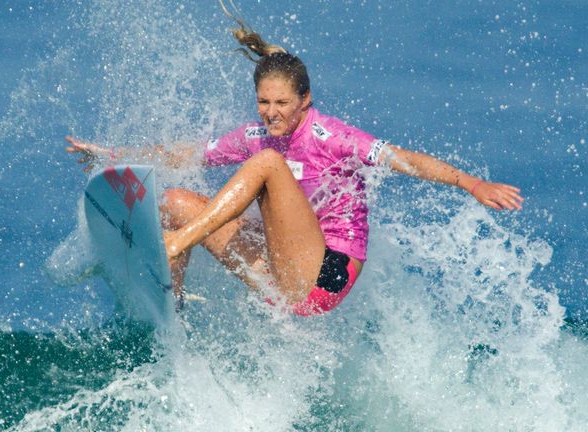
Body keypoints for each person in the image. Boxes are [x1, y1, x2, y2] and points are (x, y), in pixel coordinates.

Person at [66, 13, 523, 316]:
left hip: (323, 277)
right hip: (281, 267)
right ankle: (174, 310)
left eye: (282, 102)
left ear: (305, 100)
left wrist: (472, 183)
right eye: (263, 102)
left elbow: (405, 160)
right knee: (173, 200)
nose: (271, 112)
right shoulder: (258, 134)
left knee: (266, 164)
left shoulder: (334, 137)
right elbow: (187, 153)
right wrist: (111, 154)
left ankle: (176, 243)